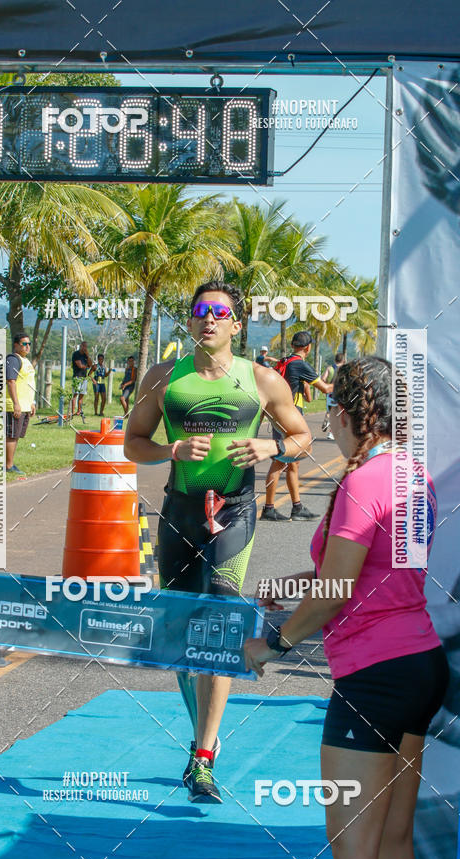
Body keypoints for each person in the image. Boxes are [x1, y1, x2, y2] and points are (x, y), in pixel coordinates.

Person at [244, 357, 449, 859]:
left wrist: (273, 645)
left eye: (334, 407)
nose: (328, 419)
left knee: (353, 849)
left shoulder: (363, 480)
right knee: (392, 841)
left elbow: (335, 593)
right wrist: (290, 587)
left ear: (357, 413)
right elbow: (374, 573)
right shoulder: (412, 472)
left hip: (376, 676)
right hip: (419, 663)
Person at [124, 280, 312, 804]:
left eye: (220, 312)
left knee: (221, 623)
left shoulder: (260, 379)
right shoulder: (163, 378)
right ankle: (201, 736)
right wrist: (170, 449)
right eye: (201, 311)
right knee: (182, 633)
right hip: (180, 513)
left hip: (234, 513)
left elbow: (301, 438)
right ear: (189, 321)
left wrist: (268, 446)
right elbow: (131, 443)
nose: (209, 319)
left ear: (236, 324)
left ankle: (203, 756)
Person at [261, 331, 333, 521]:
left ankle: (297, 506)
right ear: (308, 348)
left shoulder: (283, 362)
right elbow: (325, 388)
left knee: (293, 462)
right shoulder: (299, 364)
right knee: (280, 461)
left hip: (279, 415)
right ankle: (268, 508)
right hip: (290, 417)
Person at [6, 332, 36, 475]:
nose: (27, 346)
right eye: (24, 344)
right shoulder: (13, 359)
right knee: (11, 435)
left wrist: (31, 403)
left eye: (29, 344)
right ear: (16, 345)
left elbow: (28, 383)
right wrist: (15, 403)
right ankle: (8, 465)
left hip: (25, 404)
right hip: (15, 405)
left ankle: (10, 463)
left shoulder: (26, 361)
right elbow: (11, 382)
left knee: (16, 435)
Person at [322, 352, 345, 440]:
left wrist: (326, 386)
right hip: (339, 393)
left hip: (330, 392)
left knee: (329, 410)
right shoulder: (344, 369)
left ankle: (327, 419)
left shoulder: (330, 368)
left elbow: (323, 379)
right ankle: (331, 433)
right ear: (343, 360)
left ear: (335, 359)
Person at [71, 341, 92, 417]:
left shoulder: (86, 356)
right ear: (81, 346)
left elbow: (90, 364)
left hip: (84, 377)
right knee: (75, 394)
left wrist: (88, 356)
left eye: (86, 346)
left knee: (82, 395)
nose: (85, 348)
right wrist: (86, 366)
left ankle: (79, 411)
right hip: (77, 376)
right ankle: (72, 411)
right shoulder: (76, 354)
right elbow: (80, 365)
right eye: (83, 346)